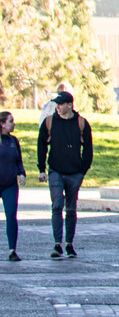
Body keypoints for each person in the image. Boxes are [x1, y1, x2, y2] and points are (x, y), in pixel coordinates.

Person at [36, 90, 92, 260]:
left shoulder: (81, 123)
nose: (58, 107)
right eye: (57, 104)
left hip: (74, 172)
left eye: (61, 104)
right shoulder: (50, 122)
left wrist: (82, 171)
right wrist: (41, 168)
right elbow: (41, 145)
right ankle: (57, 243)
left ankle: (69, 243)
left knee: (71, 209)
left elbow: (88, 149)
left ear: (69, 105)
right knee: (57, 205)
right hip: (56, 171)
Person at [0, 111, 24, 261]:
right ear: (2, 124)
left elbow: (18, 161)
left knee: (11, 216)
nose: (13, 123)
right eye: (10, 121)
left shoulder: (13, 141)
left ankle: (12, 250)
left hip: (10, 185)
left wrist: (21, 173)